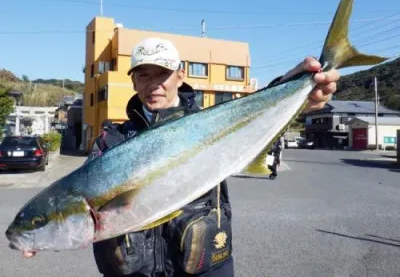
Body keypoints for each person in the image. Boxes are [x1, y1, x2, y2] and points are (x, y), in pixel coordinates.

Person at [22, 37, 340, 277]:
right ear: (133, 80)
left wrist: (297, 92)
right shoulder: (110, 140)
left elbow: (251, 116)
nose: (154, 83)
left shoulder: (212, 123)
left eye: (163, 73)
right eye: (144, 74)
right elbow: (83, 198)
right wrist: (43, 233)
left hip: (203, 267)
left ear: (180, 75)